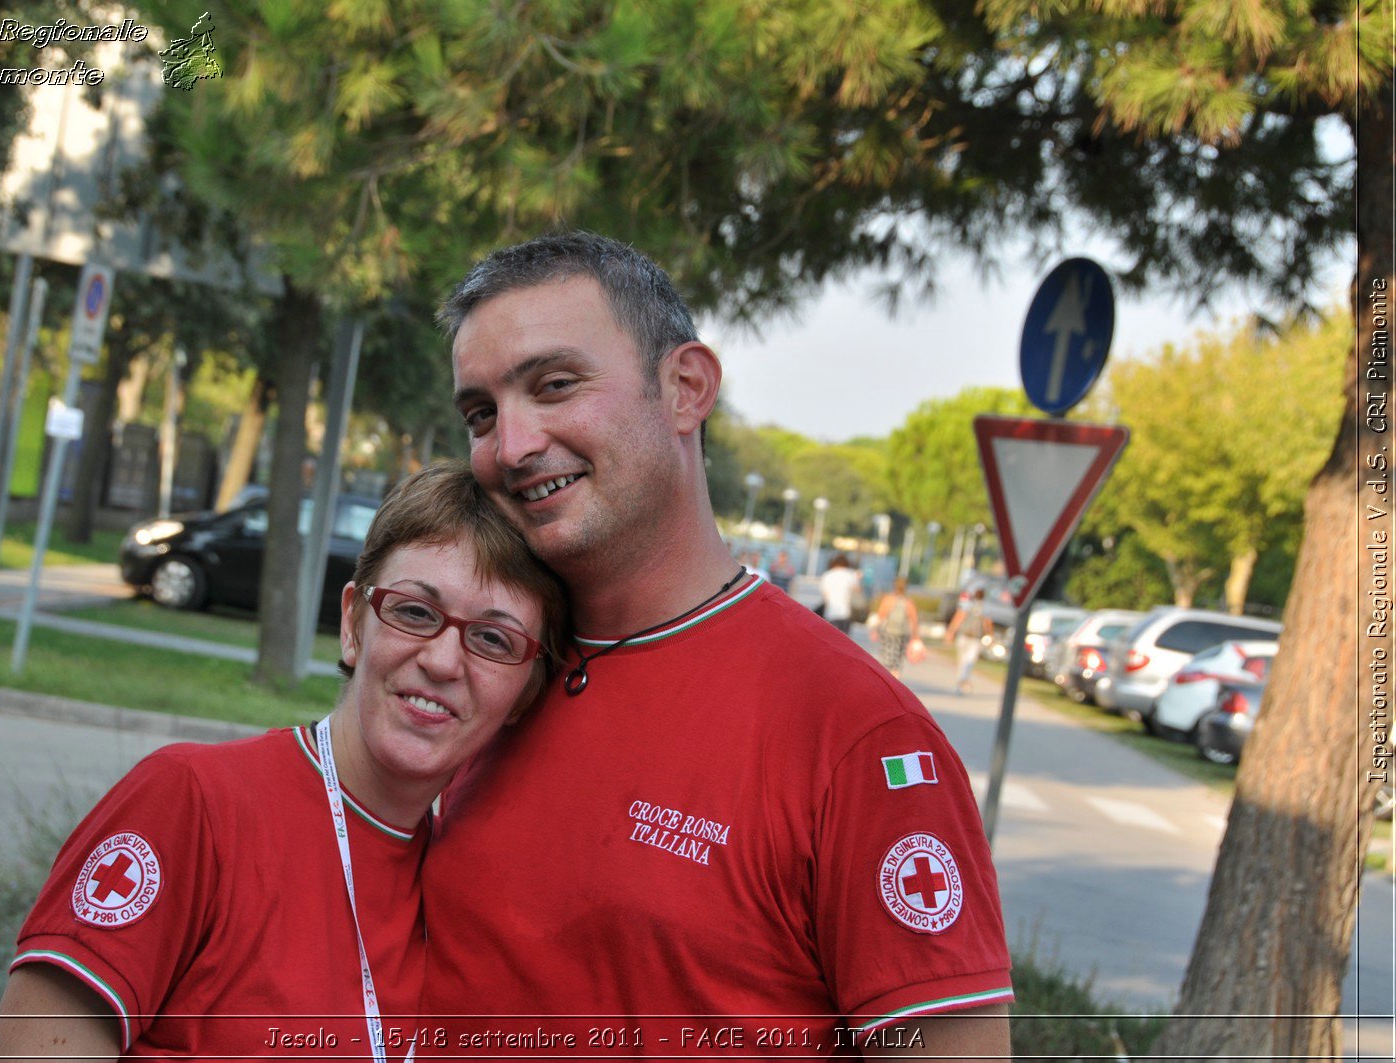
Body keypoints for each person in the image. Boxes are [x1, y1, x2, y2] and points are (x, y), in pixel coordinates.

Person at [429, 232, 1012, 1056]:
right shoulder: (475, 670)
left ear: (685, 388)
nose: (512, 445)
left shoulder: (855, 734)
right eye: (481, 414)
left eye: (554, 385)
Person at [0, 463, 568, 1061]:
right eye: (415, 612)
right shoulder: (193, 803)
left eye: (494, 640)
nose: (444, 662)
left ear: (526, 692)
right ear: (352, 624)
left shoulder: (463, 896)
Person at [945, 586, 994, 694]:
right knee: (969, 661)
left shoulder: (967, 605)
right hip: (975, 638)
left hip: (963, 636)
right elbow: (988, 624)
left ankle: (960, 681)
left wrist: (951, 632)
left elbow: (958, 618)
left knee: (962, 661)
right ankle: (962, 681)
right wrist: (990, 635)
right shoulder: (984, 608)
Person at [874, 575, 921, 678]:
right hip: (902, 635)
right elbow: (914, 621)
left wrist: (875, 631)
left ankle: (884, 679)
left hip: (888, 633)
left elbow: (880, 616)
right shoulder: (909, 602)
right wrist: (916, 637)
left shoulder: (888, 599)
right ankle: (895, 679)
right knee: (897, 661)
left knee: (885, 658)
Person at [818, 552, 861, 632]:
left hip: (831, 612)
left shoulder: (827, 575)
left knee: (831, 638)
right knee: (844, 640)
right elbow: (858, 591)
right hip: (846, 612)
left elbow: (825, 596)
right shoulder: (850, 575)